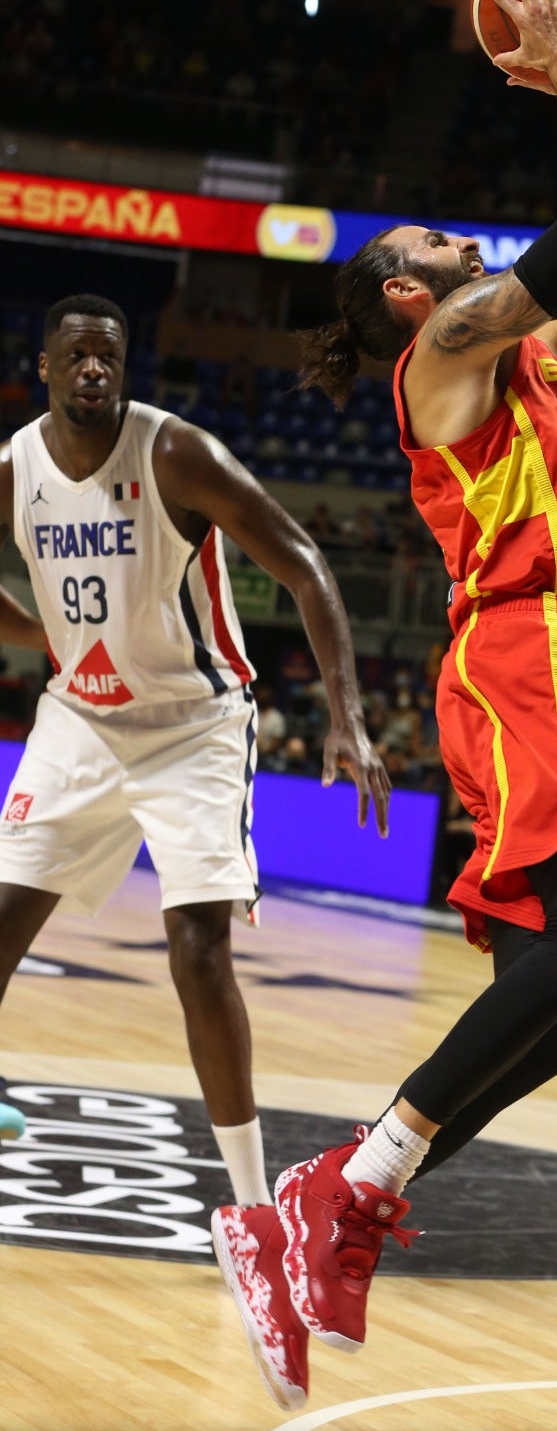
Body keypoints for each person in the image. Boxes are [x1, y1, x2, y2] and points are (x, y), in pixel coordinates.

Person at [211, 0, 557, 1410]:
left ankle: (330, 1197)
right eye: (438, 236)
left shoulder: (534, 361)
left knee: (552, 1027)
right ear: (407, 289)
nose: (465, 247)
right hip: (527, 646)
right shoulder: (451, 353)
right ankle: (340, 1191)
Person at [0, 294, 388, 1207]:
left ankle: (252, 1206)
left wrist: (348, 717)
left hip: (193, 724)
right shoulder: (14, 468)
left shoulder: (174, 451)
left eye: (111, 356)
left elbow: (303, 562)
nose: (95, 369)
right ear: (45, 369)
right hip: (81, 719)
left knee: (197, 947)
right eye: (78, 357)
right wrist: (44, 639)